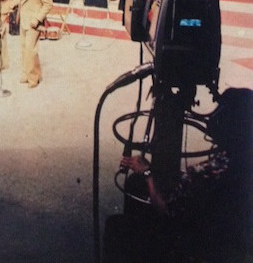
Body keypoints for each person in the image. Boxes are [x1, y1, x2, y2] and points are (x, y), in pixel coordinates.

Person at [104, 88, 253, 263]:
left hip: (193, 247)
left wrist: (146, 172)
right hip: (225, 245)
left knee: (116, 226)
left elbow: (166, 208)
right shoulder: (240, 165)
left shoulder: (211, 171)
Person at [11, 0, 53, 88]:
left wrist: (37, 19)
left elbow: (48, 4)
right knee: (24, 49)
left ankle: (34, 78)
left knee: (31, 50)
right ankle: (26, 74)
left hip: (33, 22)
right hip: (24, 19)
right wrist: (11, 4)